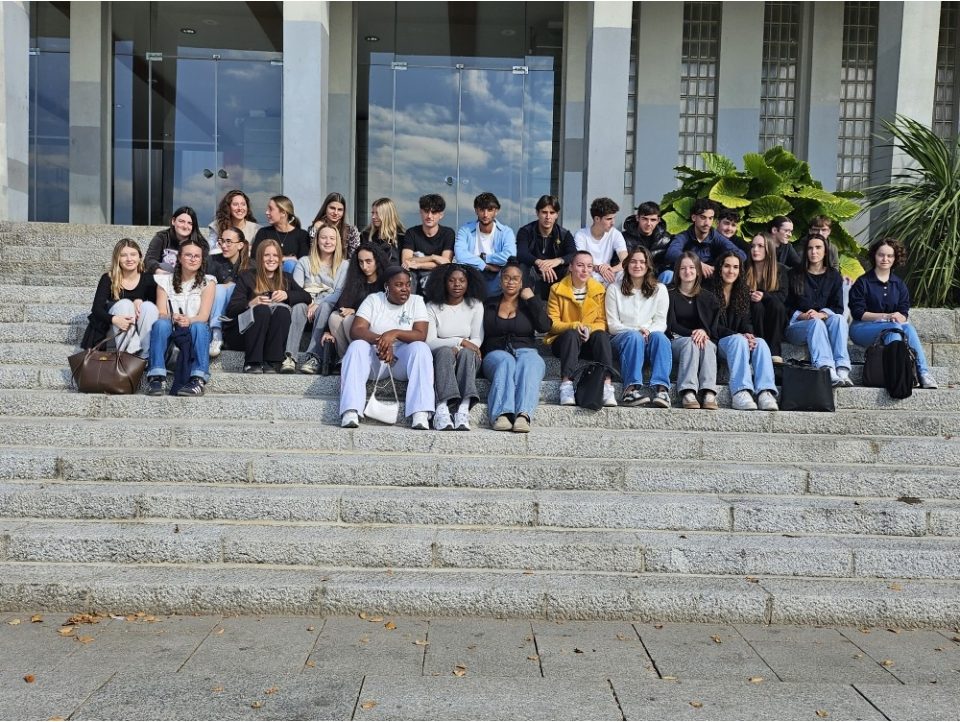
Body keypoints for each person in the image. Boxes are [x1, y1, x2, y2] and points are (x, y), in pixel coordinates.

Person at [339, 266, 434, 430]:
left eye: (407, 284)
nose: (405, 289)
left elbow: (420, 334)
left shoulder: (417, 301)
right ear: (386, 287)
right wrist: (382, 341)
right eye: (399, 285)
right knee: (356, 346)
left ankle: (420, 412)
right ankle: (351, 410)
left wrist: (395, 333)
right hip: (375, 359)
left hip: (402, 361)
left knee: (421, 348)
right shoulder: (373, 300)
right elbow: (357, 330)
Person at [849, 238, 937, 389]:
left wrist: (898, 317)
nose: (885, 259)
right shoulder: (863, 282)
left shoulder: (899, 284)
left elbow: (904, 311)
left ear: (895, 258)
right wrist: (886, 317)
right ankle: (898, 375)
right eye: (881, 255)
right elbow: (858, 313)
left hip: (892, 327)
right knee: (894, 328)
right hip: (862, 328)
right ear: (874, 256)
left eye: (890, 256)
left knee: (907, 328)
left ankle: (923, 373)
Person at [480, 258, 552, 433]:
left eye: (515, 278)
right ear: (501, 280)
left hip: (525, 351)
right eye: (507, 277)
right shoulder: (488, 304)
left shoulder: (528, 305)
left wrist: (532, 299)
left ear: (521, 283)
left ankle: (523, 415)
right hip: (495, 353)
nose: (510, 282)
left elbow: (545, 326)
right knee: (506, 362)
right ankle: (502, 414)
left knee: (531, 363)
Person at [224, 239, 311, 374]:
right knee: (261, 309)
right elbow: (232, 309)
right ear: (259, 257)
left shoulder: (286, 278)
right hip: (245, 334)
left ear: (280, 258)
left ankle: (272, 362)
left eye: (275, 255)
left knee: (282, 310)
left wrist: (286, 295)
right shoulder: (247, 276)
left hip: (272, 334)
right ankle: (252, 362)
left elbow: (306, 297)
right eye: (267, 255)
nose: (271, 259)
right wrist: (251, 303)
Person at [707, 252, 779, 411]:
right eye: (726, 266)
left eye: (735, 267)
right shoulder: (708, 291)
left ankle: (765, 392)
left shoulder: (742, 292)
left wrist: (749, 334)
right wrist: (736, 335)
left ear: (740, 270)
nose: (731, 271)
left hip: (736, 341)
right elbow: (711, 326)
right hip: (716, 341)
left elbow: (746, 321)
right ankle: (741, 392)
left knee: (760, 343)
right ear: (719, 268)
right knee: (738, 340)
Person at [145, 239, 216, 396]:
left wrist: (189, 320)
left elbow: (204, 316)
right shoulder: (165, 281)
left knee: (199, 326)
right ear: (179, 258)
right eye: (188, 255)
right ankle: (156, 377)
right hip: (172, 329)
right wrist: (174, 317)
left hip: (196, 328)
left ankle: (198, 379)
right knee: (160, 324)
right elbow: (161, 312)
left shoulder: (208, 282)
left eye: (197, 256)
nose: (193, 259)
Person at [546, 251, 617, 407]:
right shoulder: (557, 289)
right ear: (570, 267)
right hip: (564, 341)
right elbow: (552, 323)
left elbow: (602, 321)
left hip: (588, 341)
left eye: (589, 266)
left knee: (601, 335)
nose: (585, 270)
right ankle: (566, 385)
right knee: (571, 334)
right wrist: (575, 326)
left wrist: (589, 329)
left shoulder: (599, 290)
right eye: (580, 265)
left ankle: (606, 384)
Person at [605, 246, 671, 408]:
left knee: (661, 337)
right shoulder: (614, 289)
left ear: (648, 265)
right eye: (633, 261)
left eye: (642, 262)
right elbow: (613, 326)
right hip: (621, 339)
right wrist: (635, 332)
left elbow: (661, 322)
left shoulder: (660, 289)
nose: (637, 265)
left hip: (649, 337)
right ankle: (630, 391)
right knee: (634, 337)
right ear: (626, 265)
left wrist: (648, 332)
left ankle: (662, 390)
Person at [302, 241, 389, 364]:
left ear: (377, 261)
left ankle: (360, 358)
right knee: (334, 317)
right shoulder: (356, 280)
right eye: (360, 262)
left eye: (368, 261)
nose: (364, 266)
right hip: (353, 329)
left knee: (349, 319)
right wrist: (327, 331)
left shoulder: (385, 282)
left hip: (375, 328)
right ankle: (344, 359)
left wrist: (355, 311)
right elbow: (340, 304)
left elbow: (383, 308)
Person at [784, 233, 852, 387]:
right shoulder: (793, 274)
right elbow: (784, 305)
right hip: (796, 327)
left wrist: (821, 314)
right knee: (815, 323)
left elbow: (838, 307)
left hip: (823, 323)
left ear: (825, 251)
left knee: (839, 319)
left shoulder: (834, 276)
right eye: (810, 248)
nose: (814, 252)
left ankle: (842, 368)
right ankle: (826, 367)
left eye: (818, 248)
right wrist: (802, 316)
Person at [424, 264, 486, 430]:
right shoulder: (432, 306)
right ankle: (442, 408)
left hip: (468, 359)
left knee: (467, 353)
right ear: (443, 283)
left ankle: (463, 408)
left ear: (468, 283)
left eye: (461, 281)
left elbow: (477, 338)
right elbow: (429, 342)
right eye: (451, 280)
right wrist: (460, 341)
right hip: (442, 359)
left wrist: (460, 346)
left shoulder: (476, 305)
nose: (457, 284)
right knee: (444, 352)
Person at [283, 223, 349, 373]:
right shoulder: (304, 262)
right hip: (305, 307)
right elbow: (297, 289)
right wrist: (310, 302)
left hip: (327, 308)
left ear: (337, 242)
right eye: (324, 237)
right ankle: (290, 357)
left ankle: (314, 357)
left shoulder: (344, 265)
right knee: (299, 306)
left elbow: (338, 293)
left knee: (325, 306)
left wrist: (318, 303)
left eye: (332, 238)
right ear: (317, 240)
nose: (328, 242)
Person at [82, 239, 159, 358]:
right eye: (123, 255)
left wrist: (141, 301)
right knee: (124, 304)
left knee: (149, 306)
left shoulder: (148, 279)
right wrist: (114, 319)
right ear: (117, 258)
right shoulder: (108, 278)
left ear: (140, 257)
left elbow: (159, 309)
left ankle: (145, 356)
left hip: (142, 334)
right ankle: (130, 352)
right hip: (114, 333)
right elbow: (97, 309)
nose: (129, 259)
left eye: (133, 254)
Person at [667, 252, 721, 410]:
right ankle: (688, 391)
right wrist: (694, 334)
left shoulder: (709, 298)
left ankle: (709, 391)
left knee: (709, 345)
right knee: (692, 343)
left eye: (691, 267)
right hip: (676, 340)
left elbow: (712, 327)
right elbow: (670, 324)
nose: (687, 271)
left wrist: (703, 332)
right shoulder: (669, 294)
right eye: (683, 268)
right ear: (677, 271)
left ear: (698, 270)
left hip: (700, 340)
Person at [662, 198, 745, 284]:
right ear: (694, 217)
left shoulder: (716, 237)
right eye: (703, 217)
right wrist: (697, 264)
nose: (707, 223)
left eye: (710, 218)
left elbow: (741, 255)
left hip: (707, 281)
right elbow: (671, 253)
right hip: (683, 278)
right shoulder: (684, 236)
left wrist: (718, 268)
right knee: (667, 275)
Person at [454, 191, 517, 295]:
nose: (485, 214)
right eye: (482, 210)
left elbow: (509, 256)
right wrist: (485, 265)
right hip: (471, 272)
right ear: (476, 211)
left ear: (496, 211)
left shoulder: (506, 232)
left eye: (490, 210)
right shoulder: (465, 230)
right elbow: (460, 255)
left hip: (496, 273)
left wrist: (485, 257)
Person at [515, 194, 577, 300]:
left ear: (557, 215)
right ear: (537, 213)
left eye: (552, 213)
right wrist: (540, 263)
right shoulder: (526, 231)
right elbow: (521, 254)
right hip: (533, 275)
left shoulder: (564, 234)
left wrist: (558, 260)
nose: (548, 217)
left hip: (556, 275)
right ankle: (533, 306)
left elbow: (574, 254)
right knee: (521, 267)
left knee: (573, 268)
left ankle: (567, 306)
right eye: (544, 212)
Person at [207, 227, 252, 358]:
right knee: (219, 288)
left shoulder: (251, 265)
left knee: (230, 288)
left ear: (240, 245)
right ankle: (216, 334)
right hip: (213, 308)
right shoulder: (212, 260)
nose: (224, 246)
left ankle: (218, 333)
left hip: (238, 315)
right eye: (221, 241)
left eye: (229, 242)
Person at [745, 232, 788, 363]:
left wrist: (764, 295)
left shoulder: (780, 270)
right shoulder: (744, 267)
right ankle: (760, 347)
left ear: (769, 249)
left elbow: (783, 296)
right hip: (751, 314)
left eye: (760, 246)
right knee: (757, 306)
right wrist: (750, 296)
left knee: (776, 304)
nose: (755, 250)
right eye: (753, 246)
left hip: (774, 316)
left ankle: (775, 351)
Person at [401, 193, 455, 292]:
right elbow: (406, 261)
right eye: (426, 211)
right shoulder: (411, 233)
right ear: (420, 212)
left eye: (434, 212)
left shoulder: (448, 233)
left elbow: (446, 263)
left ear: (441, 215)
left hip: (438, 277)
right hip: (414, 277)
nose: (429, 216)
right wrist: (433, 258)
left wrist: (419, 264)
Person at [574, 197, 627, 286]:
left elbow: (626, 260)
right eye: (609, 219)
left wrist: (611, 269)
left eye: (614, 218)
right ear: (597, 219)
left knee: (624, 273)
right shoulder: (581, 235)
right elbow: (581, 261)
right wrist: (599, 268)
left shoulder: (615, 234)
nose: (613, 222)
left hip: (608, 275)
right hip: (588, 274)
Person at [252, 195, 310, 274]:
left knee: (290, 264)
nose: (266, 212)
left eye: (271, 209)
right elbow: (255, 256)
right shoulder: (263, 233)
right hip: (268, 274)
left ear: (283, 213)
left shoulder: (302, 235)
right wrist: (285, 258)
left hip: (292, 279)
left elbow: (303, 260)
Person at [144, 206, 206, 274]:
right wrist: (160, 272)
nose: (185, 226)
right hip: (163, 278)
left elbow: (204, 266)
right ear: (173, 221)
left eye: (190, 223)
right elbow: (149, 260)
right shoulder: (162, 238)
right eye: (181, 221)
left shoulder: (200, 243)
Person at [621, 201, 672, 275]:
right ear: (637, 218)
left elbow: (668, 264)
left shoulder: (666, 239)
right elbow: (618, 262)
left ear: (658, 220)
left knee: (669, 274)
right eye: (645, 219)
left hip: (656, 278)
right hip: (632, 276)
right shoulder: (623, 238)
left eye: (653, 220)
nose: (648, 223)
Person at [311, 192, 361, 258]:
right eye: (332, 208)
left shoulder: (351, 231)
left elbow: (355, 257)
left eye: (340, 210)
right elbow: (312, 252)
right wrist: (316, 231)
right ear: (325, 208)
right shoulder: (316, 227)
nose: (336, 213)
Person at [360, 197, 404, 266]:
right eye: (373, 213)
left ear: (387, 215)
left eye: (377, 213)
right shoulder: (365, 236)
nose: (373, 217)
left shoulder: (402, 237)